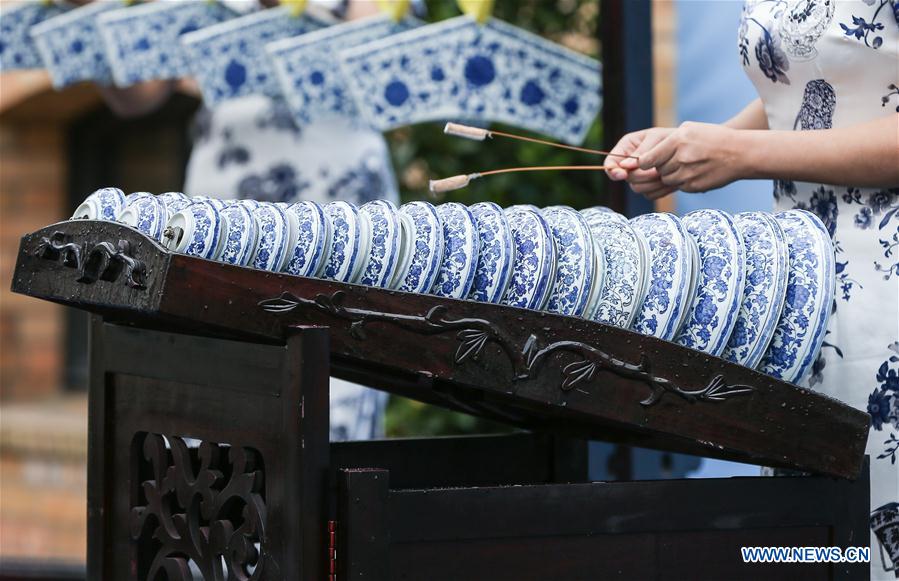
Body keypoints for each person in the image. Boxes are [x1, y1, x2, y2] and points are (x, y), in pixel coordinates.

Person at [604, 1, 898, 577]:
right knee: (816, 546)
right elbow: (809, 88)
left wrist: (740, 156)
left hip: (888, 303)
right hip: (806, 302)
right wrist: (694, 144)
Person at [100, 0, 396, 442]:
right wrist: (95, 26)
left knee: (335, 385)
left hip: (337, 200)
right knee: (214, 385)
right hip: (224, 201)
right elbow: (135, 94)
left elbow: (381, 72)